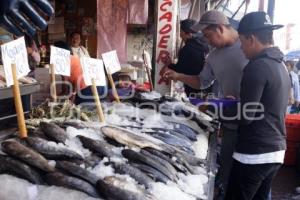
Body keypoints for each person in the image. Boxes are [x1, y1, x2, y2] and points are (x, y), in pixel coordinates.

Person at [163, 10, 248, 198]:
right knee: (228, 174)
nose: (207, 41)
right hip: (230, 122)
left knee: (249, 179)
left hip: (254, 122)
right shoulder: (213, 56)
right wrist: (178, 76)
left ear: (220, 29)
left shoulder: (248, 45)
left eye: (209, 36)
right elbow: (202, 81)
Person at [225, 11, 290, 200]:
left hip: (254, 154)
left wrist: (214, 110)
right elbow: (265, 105)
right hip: (276, 151)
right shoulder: (280, 65)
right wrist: (236, 103)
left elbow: (246, 116)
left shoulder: (257, 66)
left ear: (251, 38)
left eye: (242, 42)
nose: (241, 48)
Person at [164, 19, 209, 97]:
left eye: (181, 31)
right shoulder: (205, 46)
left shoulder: (187, 49)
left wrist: (169, 64)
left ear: (188, 33)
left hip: (194, 88)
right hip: (207, 88)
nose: (180, 34)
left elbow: (180, 70)